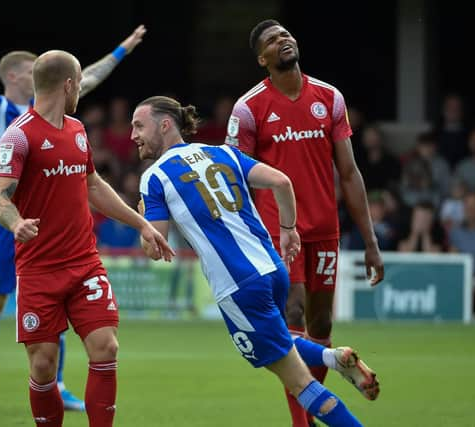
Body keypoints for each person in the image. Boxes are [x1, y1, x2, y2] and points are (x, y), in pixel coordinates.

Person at [0, 5, 147, 412]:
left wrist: (123, 49)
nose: (36, 73)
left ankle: (59, 384)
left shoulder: (68, 123)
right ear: (16, 75)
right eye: (31, 68)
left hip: (59, 233)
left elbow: (88, 77)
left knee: (71, 323)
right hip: (8, 220)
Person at [133, 96, 379, 427]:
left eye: (139, 125)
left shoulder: (155, 177)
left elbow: (156, 250)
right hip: (272, 268)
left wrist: (142, 221)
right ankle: (331, 357)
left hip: (238, 285)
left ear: (165, 125)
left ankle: (338, 385)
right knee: (276, 339)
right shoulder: (223, 152)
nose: (133, 134)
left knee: (300, 383)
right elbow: (281, 181)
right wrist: (288, 230)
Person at [0, 50, 173, 427]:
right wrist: (16, 222)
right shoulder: (18, 136)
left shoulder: (76, 129)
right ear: (70, 85)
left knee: (106, 347)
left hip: (84, 263)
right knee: (43, 366)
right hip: (38, 268)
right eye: (79, 85)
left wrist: (141, 223)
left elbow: (92, 185)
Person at [225, 19, 384, 427]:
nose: (284, 40)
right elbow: (234, 177)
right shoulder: (249, 109)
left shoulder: (329, 98)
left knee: (321, 323)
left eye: (286, 34)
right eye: (272, 40)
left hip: (324, 228)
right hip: (278, 231)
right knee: (291, 312)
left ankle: (318, 390)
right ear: (263, 59)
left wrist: (370, 242)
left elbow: (348, 173)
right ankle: (303, 422)